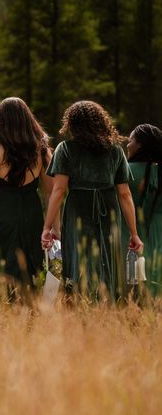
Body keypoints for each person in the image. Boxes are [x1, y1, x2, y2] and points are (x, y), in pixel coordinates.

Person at [42, 101, 143, 301]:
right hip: (109, 208)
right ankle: (105, 304)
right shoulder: (115, 151)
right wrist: (134, 233)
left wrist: (47, 226)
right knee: (107, 260)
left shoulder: (65, 149)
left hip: (78, 207)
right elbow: (124, 194)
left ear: (72, 123)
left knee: (78, 257)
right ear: (101, 121)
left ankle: (81, 303)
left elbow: (59, 190)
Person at [0, 97, 54, 299]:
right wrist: (53, 224)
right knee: (27, 259)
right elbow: (50, 190)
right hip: (30, 208)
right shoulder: (42, 148)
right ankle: (25, 303)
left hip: (0, 209)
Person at [124, 124, 162, 296]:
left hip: (130, 234)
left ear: (140, 145)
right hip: (158, 232)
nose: (127, 144)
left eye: (130, 140)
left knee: (131, 288)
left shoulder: (125, 172)